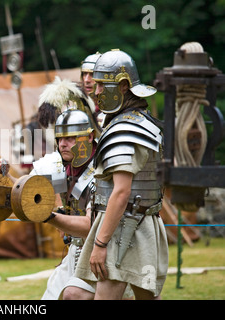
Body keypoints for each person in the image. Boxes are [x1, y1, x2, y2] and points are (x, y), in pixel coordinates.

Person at [0, 77, 100, 299]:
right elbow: (26, 192)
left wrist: (48, 216)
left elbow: (92, 226)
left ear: (89, 137)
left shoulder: (103, 168)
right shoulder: (55, 164)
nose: (63, 144)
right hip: (74, 252)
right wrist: (6, 175)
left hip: (102, 251)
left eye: (70, 138)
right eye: (60, 138)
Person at [74, 49, 169, 300]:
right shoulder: (144, 123)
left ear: (123, 86)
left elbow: (121, 191)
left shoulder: (124, 130)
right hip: (142, 224)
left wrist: (100, 244)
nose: (96, 92)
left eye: (102, 86)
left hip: (124, 229)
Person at [80, 52, 104, 126]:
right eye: (85, 74)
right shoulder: (77, 107)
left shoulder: (112, 110)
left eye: (92, 74)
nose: (86, 80)